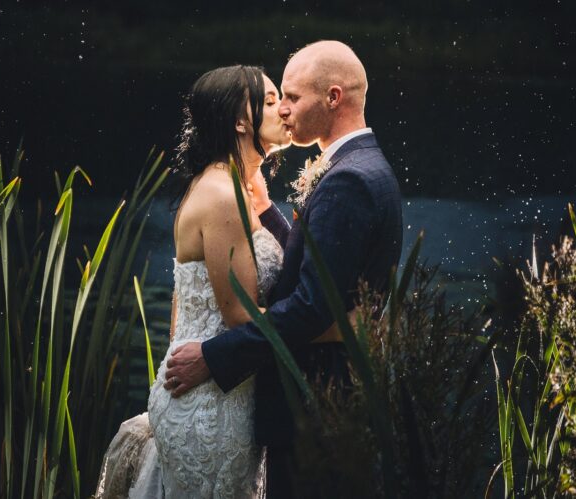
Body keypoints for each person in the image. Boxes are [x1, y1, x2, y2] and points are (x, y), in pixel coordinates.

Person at [163, 40, 404, 498]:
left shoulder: (347, 180)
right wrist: (270, 211)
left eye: (290, 97)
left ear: (333, 98)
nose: (285, 110)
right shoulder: (361, 167)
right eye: (276, 100)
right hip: (318, 401)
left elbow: (313, 304)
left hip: (317, 405)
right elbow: (314, 266)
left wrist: (214, 358)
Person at [95, 65, 291, 498]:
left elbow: (186, 299)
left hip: (221, 388)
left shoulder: (236, 187)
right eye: (273, 100)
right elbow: (239, 315)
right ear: (241, 121)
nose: (285, 109)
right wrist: (319, 326)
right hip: (212, 403)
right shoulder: (223, 195)